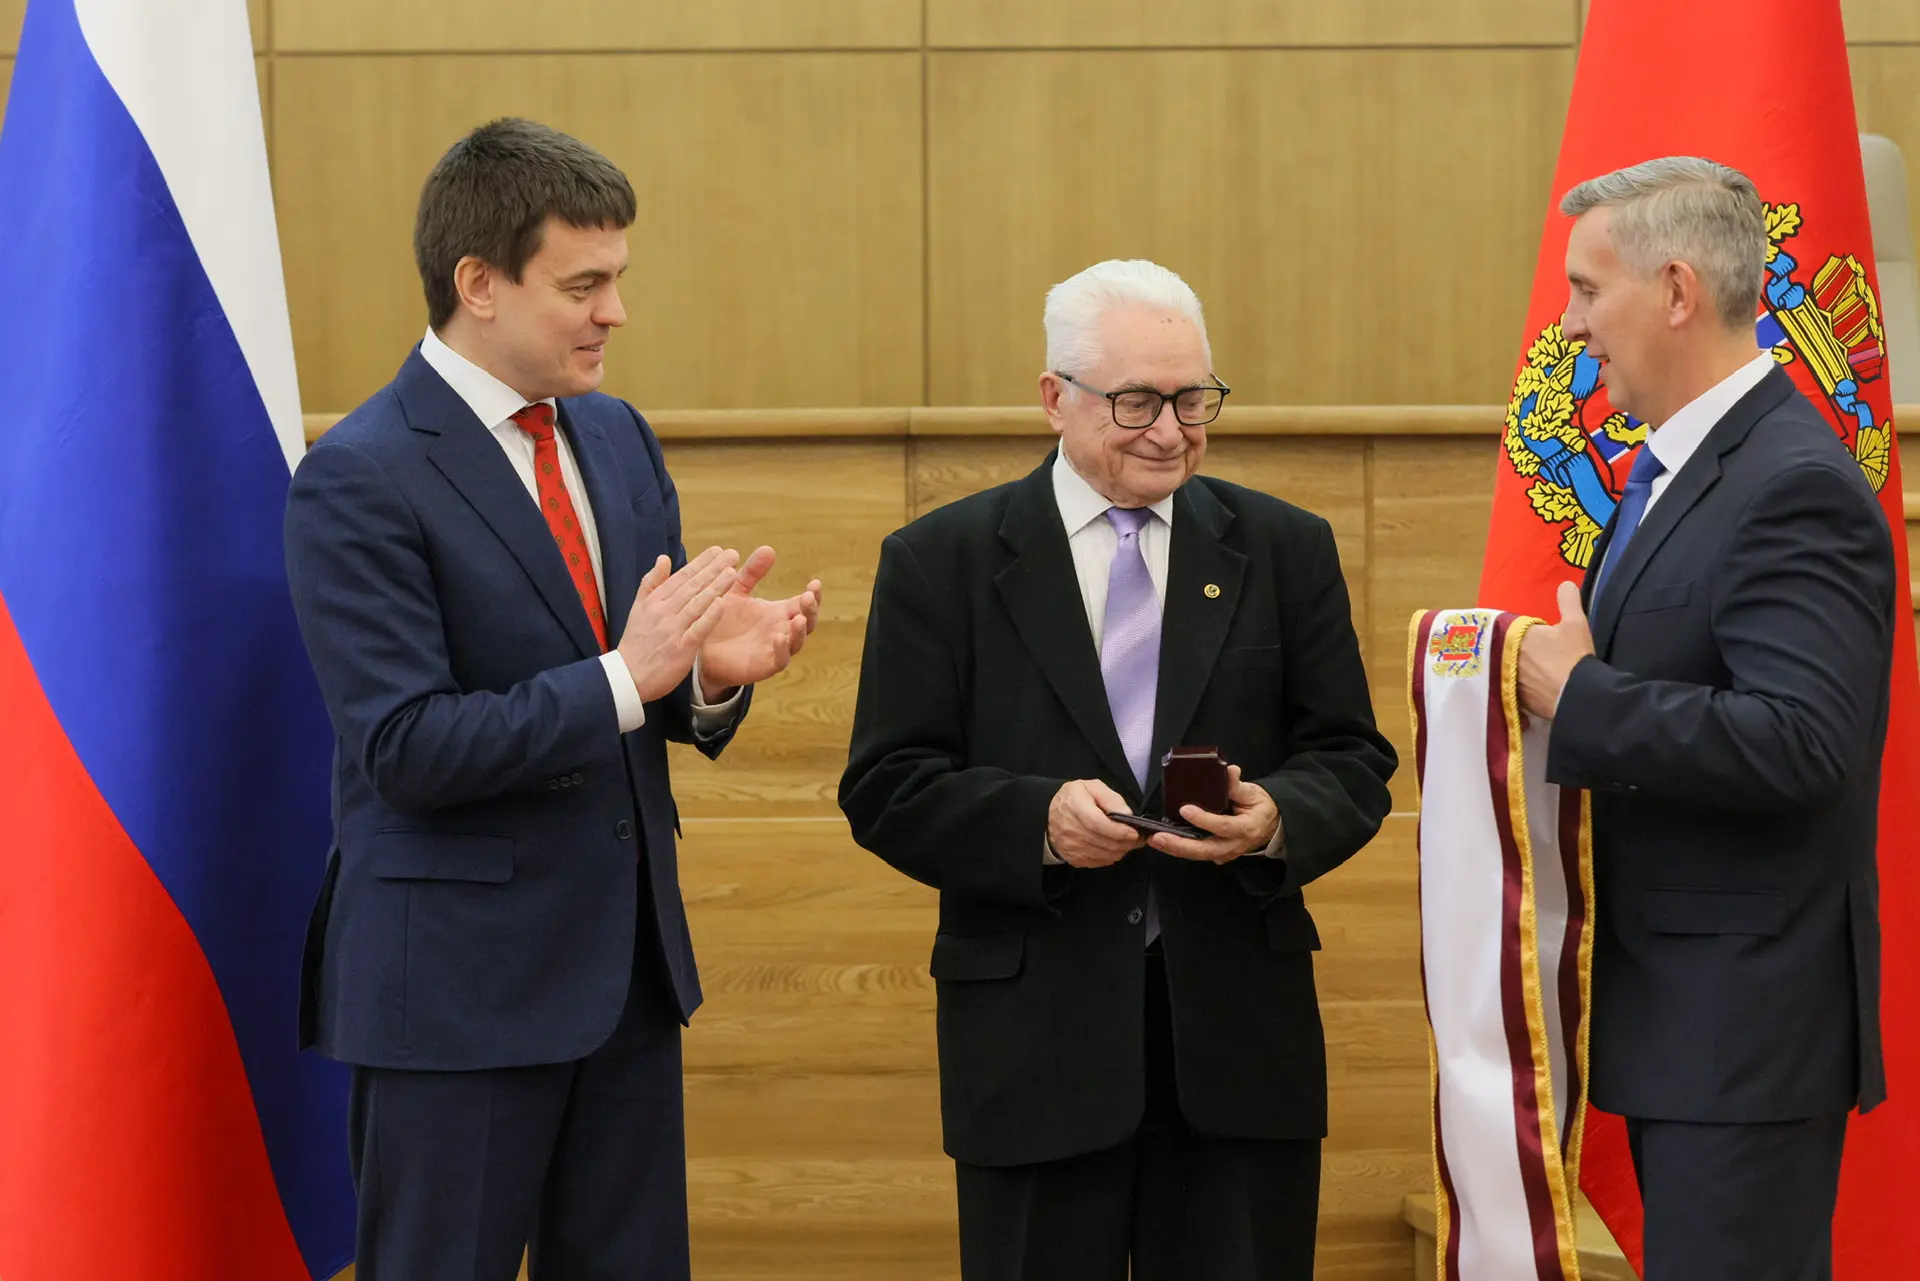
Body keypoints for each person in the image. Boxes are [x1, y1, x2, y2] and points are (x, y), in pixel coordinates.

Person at [284, 117, 822, 1281]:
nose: (614, 313)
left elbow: (643, 688)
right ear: (478, 284)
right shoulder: (358, 477)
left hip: (624, 983)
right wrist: (632, 674)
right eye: (584, 286)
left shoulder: (617, 438)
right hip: (454, 1001)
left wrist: (708, 678)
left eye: (617, 279)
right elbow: (407, 747)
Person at [839, 259, 1396, 1281]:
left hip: (1237, 1045)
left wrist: (1276, 816)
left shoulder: (1286, 548)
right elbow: (888, 785)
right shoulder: (942, 561)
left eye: (1193, 399)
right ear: (1055, 398)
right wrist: (1037, 823)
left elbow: (1352, 758)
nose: (1171, 431)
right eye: (1137, 401)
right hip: (1034, 1049)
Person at [1517, 156, 1896, 1281]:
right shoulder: (1674, 475)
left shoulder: (1790, 484)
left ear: (1676, 291)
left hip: (1744, 1034)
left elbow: (1806, 743)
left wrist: (1581, 697)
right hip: (1683, 1020)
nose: (1571, 323)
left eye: (1589, 290)